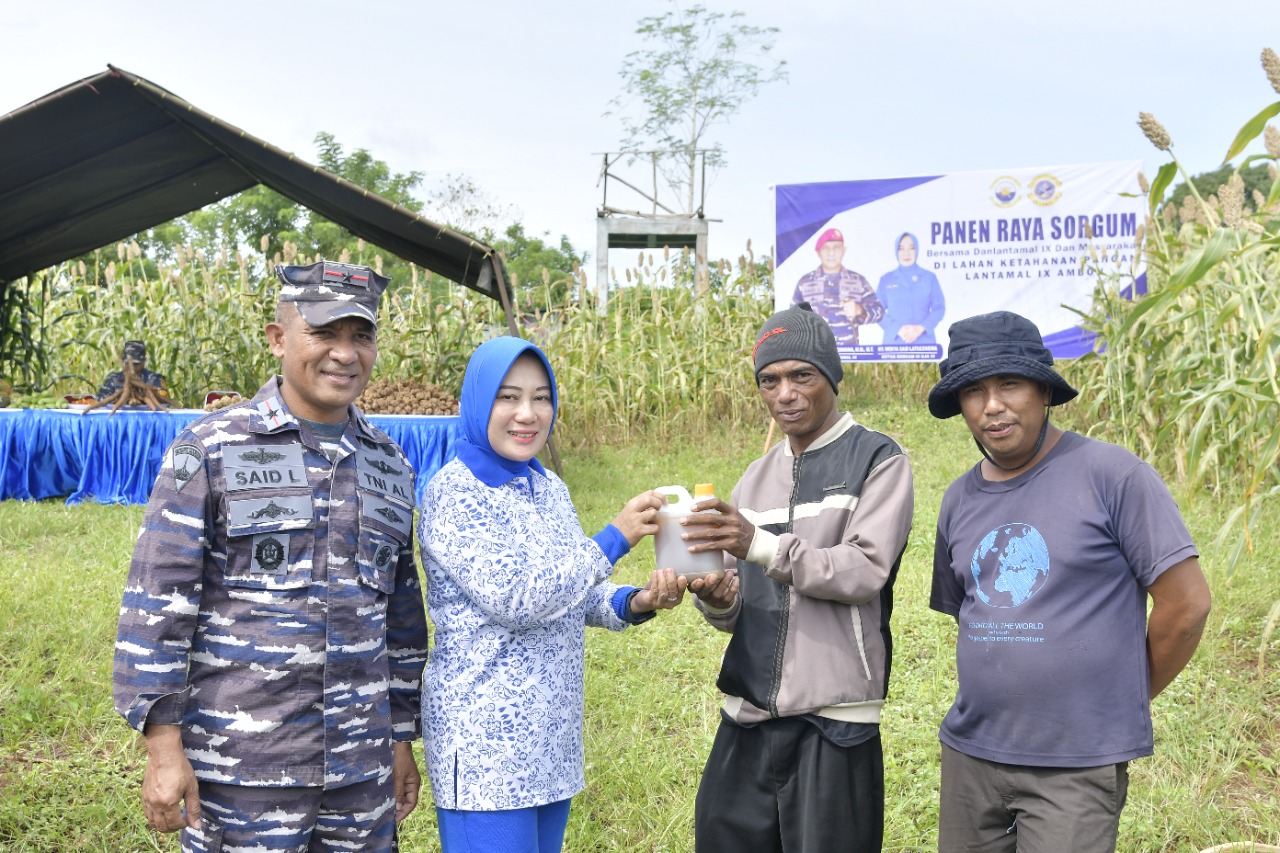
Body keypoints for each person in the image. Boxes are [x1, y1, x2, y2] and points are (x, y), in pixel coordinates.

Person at [112, 260, 429, 852]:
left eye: (361, 335)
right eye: (325, 333)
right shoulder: (212, 449)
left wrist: (400, 740)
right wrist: (162, 747)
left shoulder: (389, 464)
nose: (344, 353)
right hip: (241, 768)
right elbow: (157, 604)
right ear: (278, 338)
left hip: (360, 773)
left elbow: (401, 621)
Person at [926, 311, 1212, 853]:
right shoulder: (959, 499)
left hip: (1074, 765)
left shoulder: (1113, 476)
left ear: (1042, 392)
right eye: (973, 391)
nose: (992, 405)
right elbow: (972, 616)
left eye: (1008, 383)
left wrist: (1124, 695)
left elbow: (1187, 606)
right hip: (971, 756)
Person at [417, 335, 686, 853]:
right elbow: (519, 600)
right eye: (508, 396)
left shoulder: (548, 487)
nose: (528, 413)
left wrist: (636, 602)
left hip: (548, 743)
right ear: (477, 402)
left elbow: (574, 591)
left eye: (542, 397)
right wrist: (615, 537)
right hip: (486, 750)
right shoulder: (454, 494)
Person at [677, 301, 915, 852]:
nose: (784, 394)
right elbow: (732, 607)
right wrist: (716, 594)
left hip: (834, 718)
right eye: (769, 380)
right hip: (747, 714)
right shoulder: (757, 476)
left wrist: (757, 543)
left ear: (831, 375)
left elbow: (863, 569)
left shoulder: (878, 459)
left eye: (801, 375)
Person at [792, 227, 884, 347]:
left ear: (843, 250)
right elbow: (792, 318)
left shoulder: (858, 281)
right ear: (818, 252)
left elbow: (879, 312)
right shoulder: (804, 283)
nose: (831, 253)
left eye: (836, 247)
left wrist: (859, 310)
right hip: (815, 354)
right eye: (826, 248)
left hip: (849, 355)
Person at [876, 232, 945, 346]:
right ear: (896, 251)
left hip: (924, 344)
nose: (906, 253)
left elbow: (939, 308)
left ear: (916, 250)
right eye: (901, 249)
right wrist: (898, 330)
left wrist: (920, 328)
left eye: (911, 248)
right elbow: (877, 312)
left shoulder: (929, 278)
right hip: (894, 343)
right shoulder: (886, 280)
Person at [96, 339, 170, 401]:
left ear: (144, 361)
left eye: (136, 364)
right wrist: (125, 398)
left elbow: (164, 398)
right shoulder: (113, 379)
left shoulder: (155, 378)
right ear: (123, 361)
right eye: (128, 363)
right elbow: (100, 399)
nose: (132, 368)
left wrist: (141, 398)